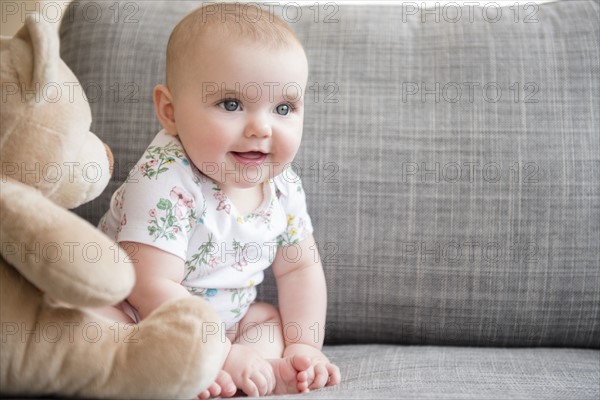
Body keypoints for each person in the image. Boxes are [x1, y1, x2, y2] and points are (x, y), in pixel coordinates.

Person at [98, 3, 340, 398]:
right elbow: (149, 284)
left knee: (266, 319)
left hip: (228, 321)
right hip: (142, 316)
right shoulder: (165, 177)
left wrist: (304, 347)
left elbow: (300, 271)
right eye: (231, 104)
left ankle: (264, 369)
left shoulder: (283, 186)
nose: (261, 127)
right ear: (170, 112)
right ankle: (191, 368)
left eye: (283, 108)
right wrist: (218, 351)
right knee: (94, 321)